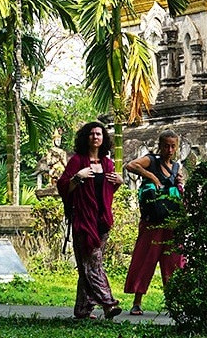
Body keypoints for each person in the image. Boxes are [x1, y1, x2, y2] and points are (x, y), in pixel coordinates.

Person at [57, 121, 124, 320]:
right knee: (92, 263)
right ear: (86, 137)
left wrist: (119, 183)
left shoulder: (107, 163)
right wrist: (77, 177)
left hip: (102, 220)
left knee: (90, 264)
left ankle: (82, 309)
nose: (96, 137)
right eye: (92, 134)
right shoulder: (77, 161)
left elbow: (106, 193)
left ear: (104, 139)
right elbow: (63, 187)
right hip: (83, 220)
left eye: (99, 134)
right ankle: (108, 303)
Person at [123, 130, 186, 315]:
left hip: (172, 222)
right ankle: (137, 302)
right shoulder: (151, 160)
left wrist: (179, 182)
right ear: (160, 145)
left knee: (174, 263)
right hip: (152, 223)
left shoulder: (176, 168)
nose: (169, 149)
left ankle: (173, 302)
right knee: (145, 260)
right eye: (166, 145)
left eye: (173, 146)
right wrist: (152, 177)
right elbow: (130, 165)